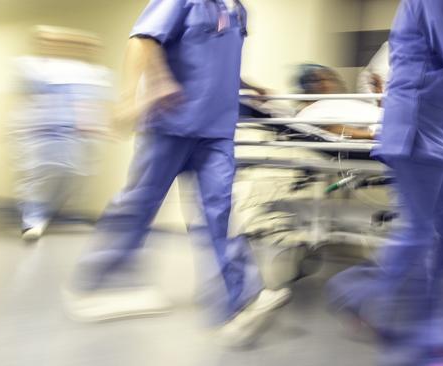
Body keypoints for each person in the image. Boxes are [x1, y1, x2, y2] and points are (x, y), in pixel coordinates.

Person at [64, 0, 290, 347]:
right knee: (139, 204)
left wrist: (252, 89)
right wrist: (140, 91)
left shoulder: (239, 12)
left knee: (219, 212)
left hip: (216, 132)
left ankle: (239, 303)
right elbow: (143, 39)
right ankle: (97, 283)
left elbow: (218, 65)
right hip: (171, 123)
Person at [327, 1, 443, 365]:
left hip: (439, 134)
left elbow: (431, 63)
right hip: (417, 132)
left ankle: (424, 326)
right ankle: (403, 327)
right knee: (422, 234)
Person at [12, 26, 112, 242]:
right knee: (37, 177)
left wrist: (99, 127)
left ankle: (46, 213)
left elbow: (91, 102)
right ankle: (32, 221)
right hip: (39, 132)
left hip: (72, 133)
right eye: (47, 41)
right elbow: (24, 99)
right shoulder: (31, 66)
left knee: (73, 175)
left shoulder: (82, 70)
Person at [296, 64, 380, 140]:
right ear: (307, 87)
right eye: (319, 80)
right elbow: (334, 130)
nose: (325, 84)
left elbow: (374, 113)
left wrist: (379, 96)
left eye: (330, 78)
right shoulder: (311, 111)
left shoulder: (336, 102)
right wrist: (371, 135)